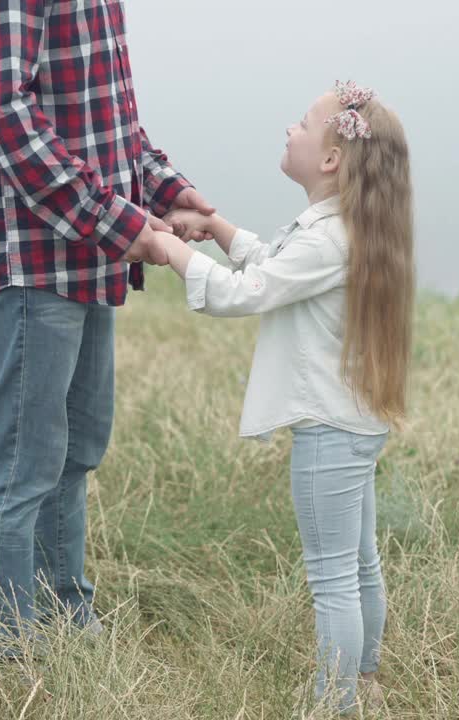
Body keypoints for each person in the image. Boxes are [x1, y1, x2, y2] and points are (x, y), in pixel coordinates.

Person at [0, 0, 214, 656]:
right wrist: (119, 222)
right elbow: (4, 113)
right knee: (22, 463)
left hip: (84, 248)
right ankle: (17, 660)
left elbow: (100, 112)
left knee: (75, 449)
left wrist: (162, 188)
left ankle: (67, 620)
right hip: (26, 252)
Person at [155, 81, 414, 713]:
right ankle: (363, 679)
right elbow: (271, 262)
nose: (289, 130)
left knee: (332, 578)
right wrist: (213, 226)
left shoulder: (327, 239)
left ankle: (334, 701)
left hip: (329, 429)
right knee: (358, 564)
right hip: (352, 421)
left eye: (301, 124)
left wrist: (164, 248)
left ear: (331, 158)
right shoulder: (339, 231)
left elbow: (244, 292)